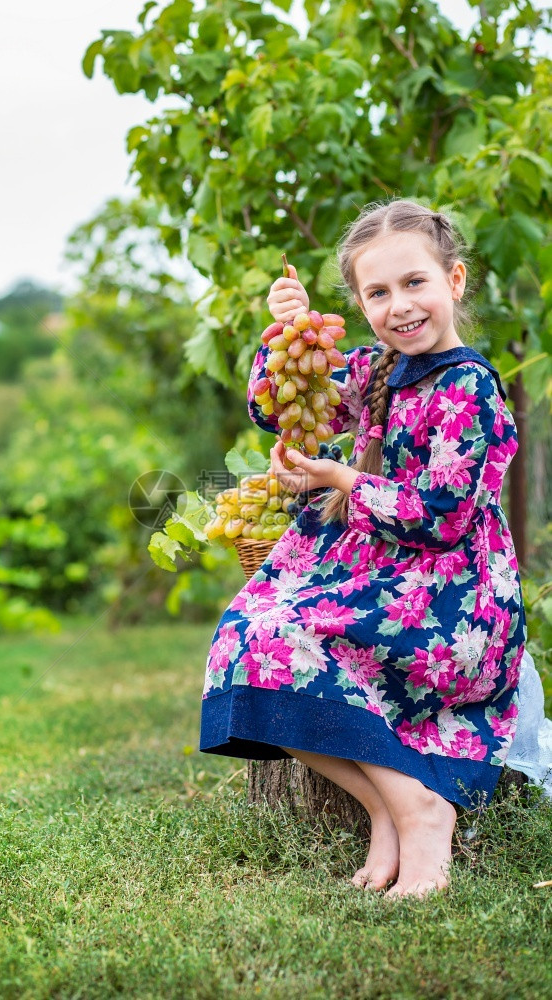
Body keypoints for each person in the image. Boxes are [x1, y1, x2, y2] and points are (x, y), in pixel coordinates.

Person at [199, 198, 527, 898]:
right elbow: (281, 408)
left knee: (290, 637)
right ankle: (390, 809)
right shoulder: (377, 374)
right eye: (378, 293)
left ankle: (424, 812)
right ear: (359, 302)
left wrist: (345, 478)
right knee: (245, 642)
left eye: (415, 284)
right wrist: (289, 330)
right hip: (386, 579)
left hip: (452, 600)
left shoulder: (468, 387)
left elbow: (442, 518)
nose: (400, 306)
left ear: (455, 282)